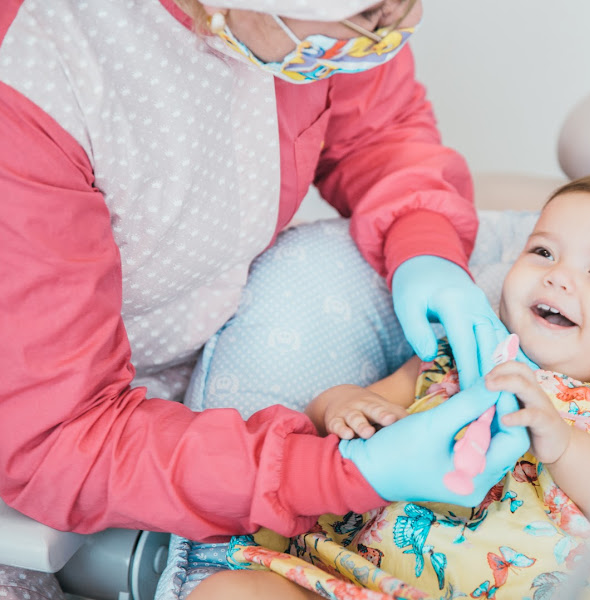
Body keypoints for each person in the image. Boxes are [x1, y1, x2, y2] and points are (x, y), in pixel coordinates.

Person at [0, 1, 527, 598]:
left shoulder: (316, 27)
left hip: (191, 375)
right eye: (363, 18)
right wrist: (332, 472)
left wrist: (424, 242)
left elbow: (376, 131)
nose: (395, 25)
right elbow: (57, 438)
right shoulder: (36, 73)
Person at [187, 173, 590, 599]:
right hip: (349, 575)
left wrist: (565, 444)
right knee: (229, 592)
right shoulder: (456, 359)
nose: (558, 277)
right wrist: (343, 405)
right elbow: (340, 412)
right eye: (543, 252)